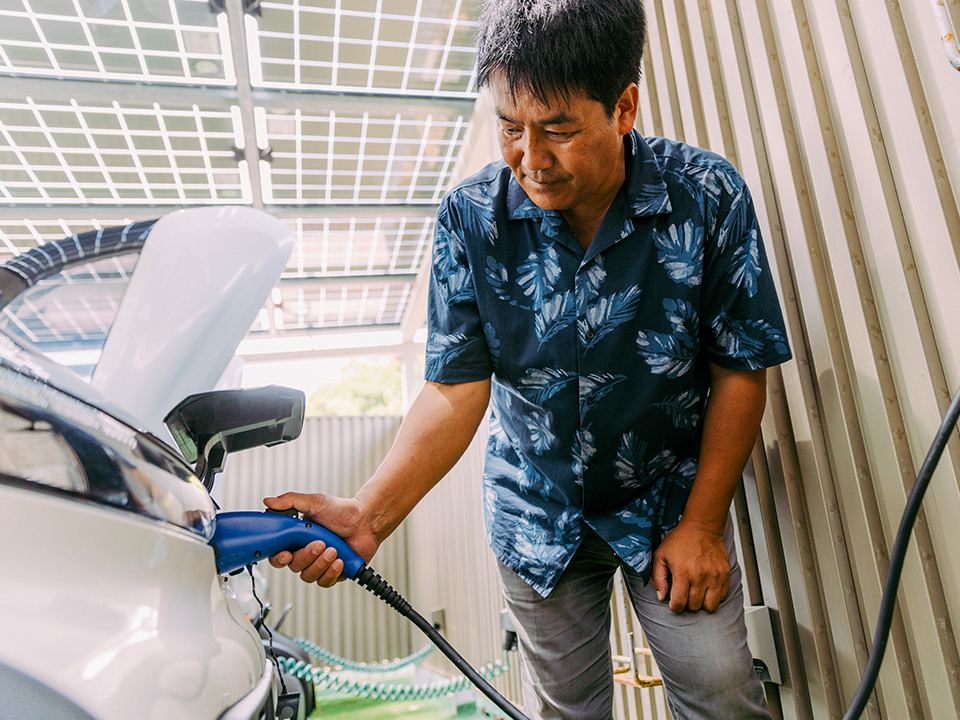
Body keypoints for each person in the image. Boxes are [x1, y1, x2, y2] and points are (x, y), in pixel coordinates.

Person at [265, 1, 792, 718]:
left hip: (670, 504)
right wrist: (369, 515)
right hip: (535, 514)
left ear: (623, 107)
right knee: (568, 710)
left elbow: (741, 369)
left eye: (559, 131)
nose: (531, 159)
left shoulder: (706, 194)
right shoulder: (470, 218)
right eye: (510, 128)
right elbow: (455, 389)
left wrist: (702, 526)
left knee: (722, 692)